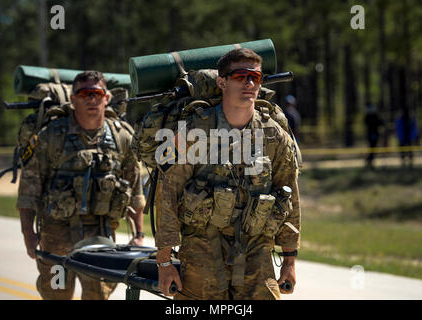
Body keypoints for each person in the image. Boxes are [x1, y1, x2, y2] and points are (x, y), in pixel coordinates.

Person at [154, 48, 301, 300]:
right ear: (222, 82)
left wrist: (289, 259)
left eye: (256, 77)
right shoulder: (193, 132)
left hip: (256, 248)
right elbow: (167, 195)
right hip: (201, 247)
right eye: (241, 76)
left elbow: (289, 196)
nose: (249, 83)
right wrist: (165, 263)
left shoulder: (274, 135)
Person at [16, 71, 146, 300]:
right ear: (73, 99)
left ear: (106, 98)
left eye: (97, 93)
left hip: (101, 237)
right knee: (56, 294)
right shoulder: (51, 137)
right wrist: (29, 234)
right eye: (84, 93)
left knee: (98, 296)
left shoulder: (123, 137)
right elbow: (29, 189)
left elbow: (135, 189)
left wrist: (139, 234)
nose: (91, 99)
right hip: (55, 238)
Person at [364, 102, 383, 168]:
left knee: (373, 147)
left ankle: (370, 159)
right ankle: (369, 159)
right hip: (371, 134)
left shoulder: (374, 115)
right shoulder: (369, 116)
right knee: (372, 147)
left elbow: (380, 123)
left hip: (373, 134)